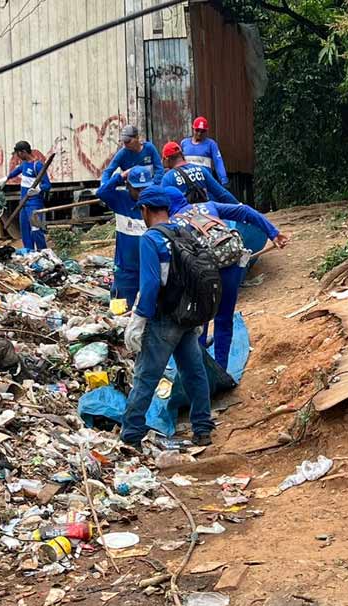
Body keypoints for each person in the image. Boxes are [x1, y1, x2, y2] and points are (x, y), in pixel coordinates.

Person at [120, 186, 214, 449]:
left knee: (146, 376)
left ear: (145, 210)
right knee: (194, 372)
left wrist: (138, 320)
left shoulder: (150, 239)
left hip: (164, 319)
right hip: (188, 316)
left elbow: (150, 284)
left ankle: (131, 435)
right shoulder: (185, 233)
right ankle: (202, 429)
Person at [174, 199, 288, 370]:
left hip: (202, 273)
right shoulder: (209, 206)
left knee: (199, 322)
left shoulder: (172, 222)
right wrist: (274, 233)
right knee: (224, 319)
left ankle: (201, 368)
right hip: (229, 265)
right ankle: (221, 369)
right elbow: (245, 210)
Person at [96, 165, 188, 308]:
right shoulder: (120, 200)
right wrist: (120, 177)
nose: (141, 193)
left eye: (145, 188)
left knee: (152, 307)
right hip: (126, 272)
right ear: (128, 186)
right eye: (137, 189)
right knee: (121, 310)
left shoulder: (155, 203)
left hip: (152, 268)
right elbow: (102, 192)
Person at [0, 141, 51, 252]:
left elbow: (47, 185)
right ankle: (29, 252)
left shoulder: (37, 165)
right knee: (25, 230)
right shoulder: (24, 164)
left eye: (18, 153)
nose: (17, 156)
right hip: (23, 203)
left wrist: (38, 189)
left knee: (36, 229)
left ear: (24, 152)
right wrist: (6, 178)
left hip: (34, 204)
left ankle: (43, 252)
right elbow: (16, 171)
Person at [160, 141, 237, 204]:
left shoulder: (168, 178)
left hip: (184, 216)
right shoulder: (201, 170)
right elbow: (222, 194)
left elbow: (162, 204)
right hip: (206, 213)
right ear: (182, 155)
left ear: (167, 159)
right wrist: (239, 207)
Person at [180, 116, 228, 186]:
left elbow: (218, 162)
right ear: (193, 129)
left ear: (206, 131)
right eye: (197, 130)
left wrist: (223, 179)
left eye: (202, 131)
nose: (199, 133)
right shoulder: (184, 143)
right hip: (187, 183)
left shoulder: (211, 144)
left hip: (205, 182)